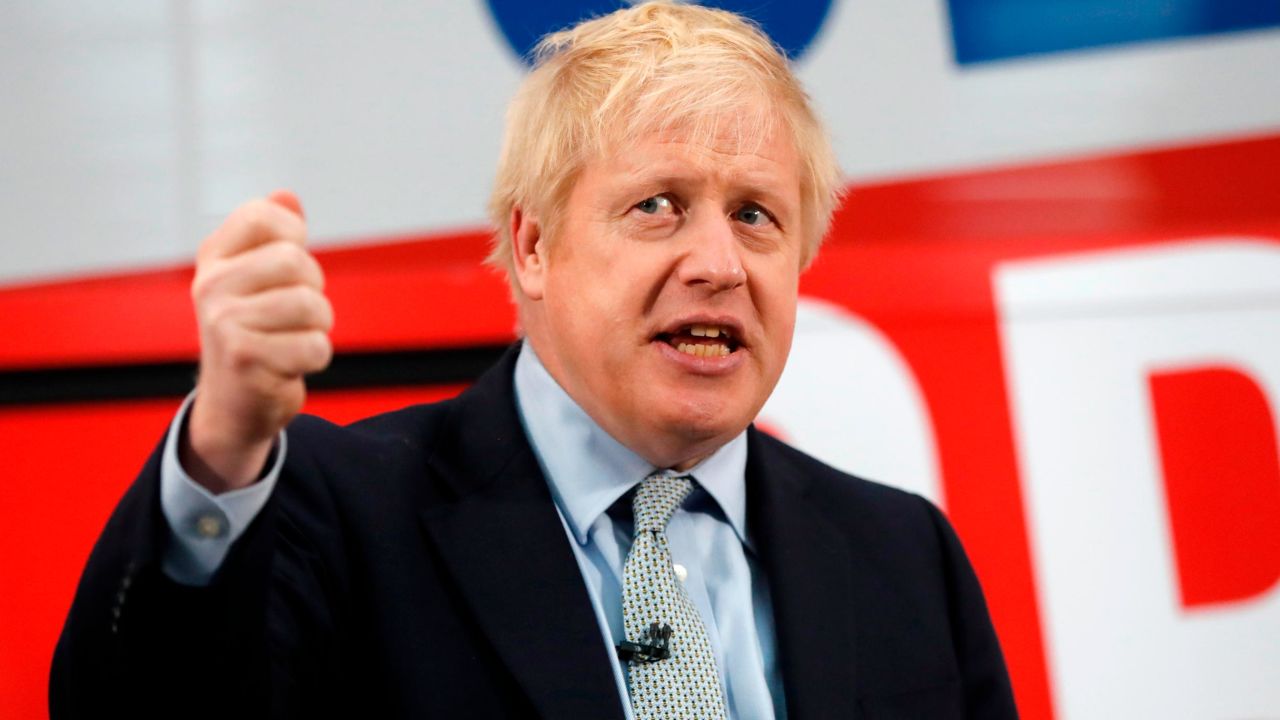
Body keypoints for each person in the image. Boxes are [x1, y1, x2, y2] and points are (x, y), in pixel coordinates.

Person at [52, 3, 1017, 718]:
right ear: (534, 247)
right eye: (659, 205)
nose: (719, 263)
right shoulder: (332, 514)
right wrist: (220, 446)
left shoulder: (904, 557)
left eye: (756, 216)